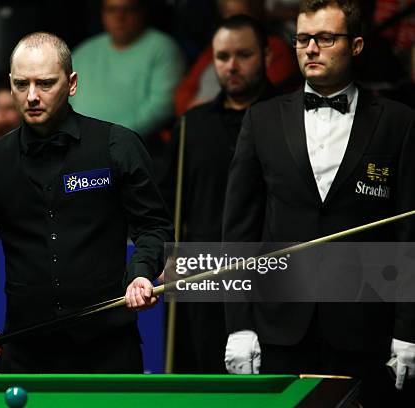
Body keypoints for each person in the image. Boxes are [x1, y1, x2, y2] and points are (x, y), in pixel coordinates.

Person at [0, 32, 173, 374]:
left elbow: (154, 225)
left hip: (109, 351)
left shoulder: (117, 146)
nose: (32, 96)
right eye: (21, 84)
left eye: (45, 83)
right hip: (24, 353)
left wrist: (140, 274)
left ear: (72, 83)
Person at [222, 0, 415, 405]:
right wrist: (239, 326)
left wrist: (408, 330)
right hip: (279, 330)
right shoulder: (262, 120)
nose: (311, 48)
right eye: (302, 39)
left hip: (366, 332)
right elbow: (239, 233)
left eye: (325, 38)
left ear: (357, 45)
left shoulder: (399, 123)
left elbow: (408, 234)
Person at [160, 15, 278, 374]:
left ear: (267, 56)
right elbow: (168, 203)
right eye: (222, 57)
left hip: (272, 273)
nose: (232, 66)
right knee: (201, 378)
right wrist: (169, 253)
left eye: (243, 55)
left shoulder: (288, 119)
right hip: (202, 275)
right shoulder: (192, 125)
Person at [71, 0, 184, 140]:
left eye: (128, 9)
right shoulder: (84, 51)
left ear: (142, 12)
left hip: (133, 148)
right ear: (102, 14)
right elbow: (63, 101)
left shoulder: (163, 48)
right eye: (112, 10)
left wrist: (110, 138)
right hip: (77, 144)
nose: (119, 17)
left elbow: (161, 108)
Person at [173, 0, 300, 116]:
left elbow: (257, 93)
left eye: (244, 55)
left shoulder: (276, 48)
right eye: (229, 16)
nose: (232, 66)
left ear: (255, 15)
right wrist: (194, 110)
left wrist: (211, 106)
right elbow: (183, 90)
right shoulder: (213, 49)